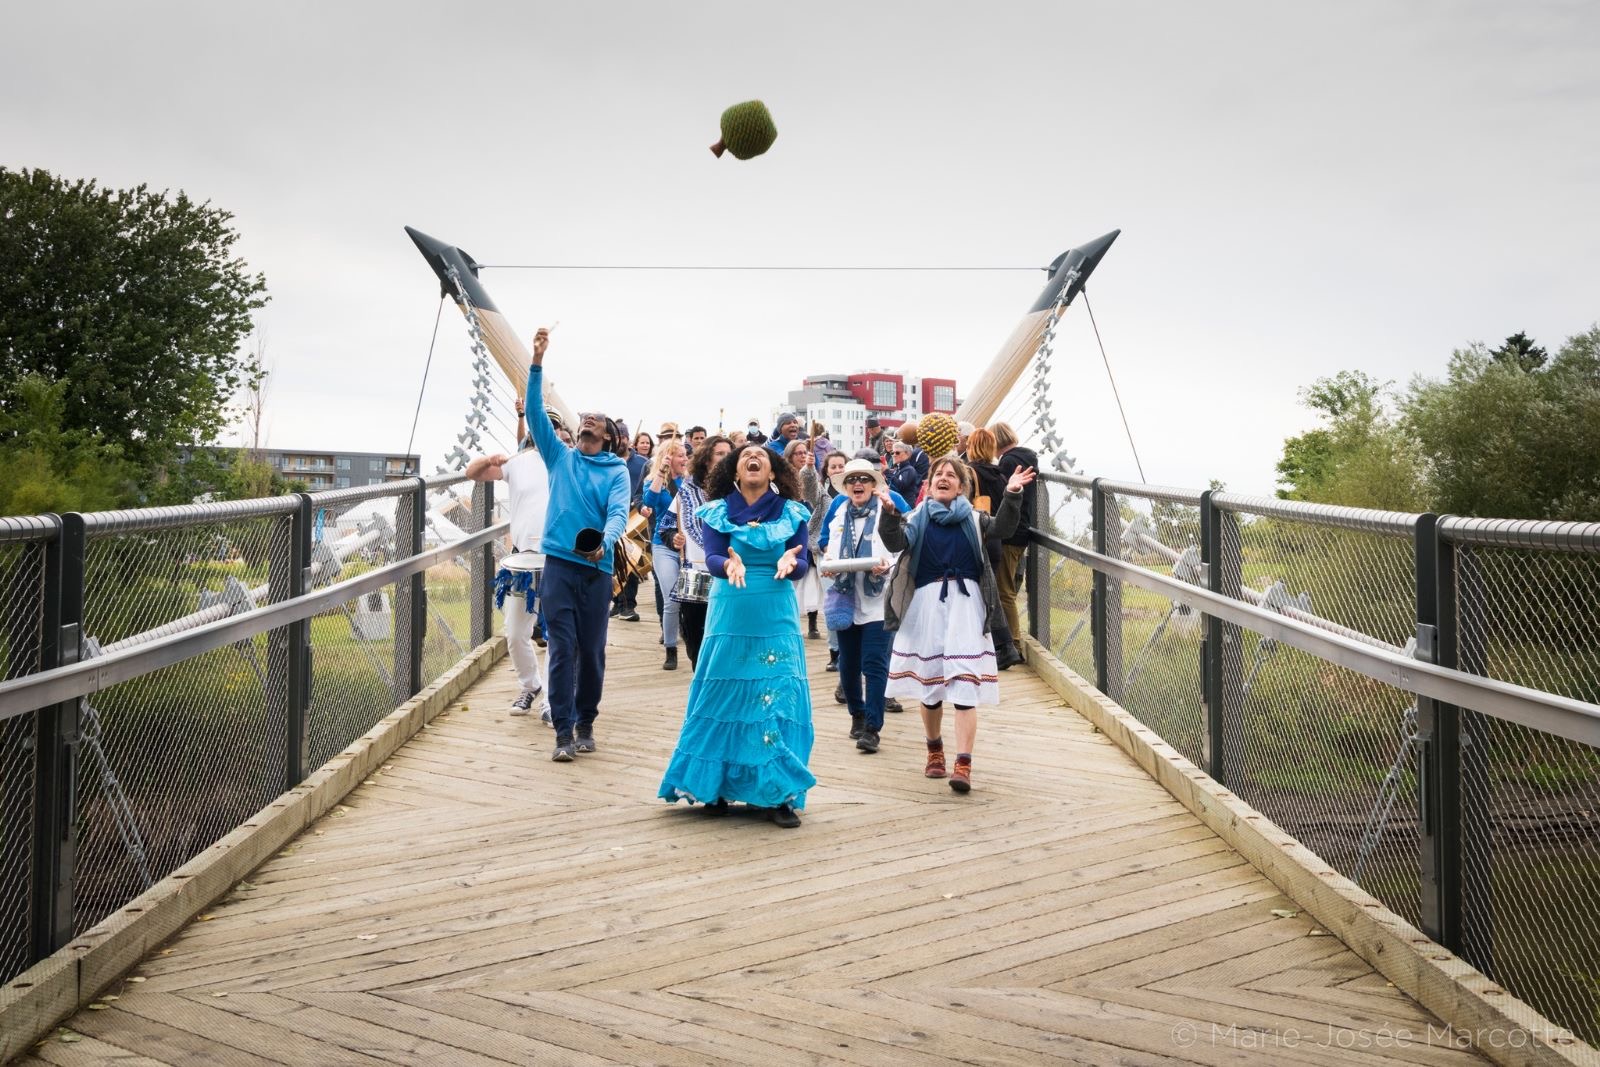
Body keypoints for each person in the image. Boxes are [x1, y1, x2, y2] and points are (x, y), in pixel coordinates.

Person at [657, 444, 816, 828]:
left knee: (776, 696)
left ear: (773, 472)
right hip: (731, 611)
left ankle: (777, 792)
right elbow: (713, 556)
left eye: (761, 455)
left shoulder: (792, 512)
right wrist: (728, 563)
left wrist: (792, 561)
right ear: (735, 472)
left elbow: (802, 560)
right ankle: (716, 786)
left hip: (776, 613)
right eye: (745, 456)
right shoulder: (717, 511)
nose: (753, 458)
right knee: (724, 696)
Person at [879, 455, 1034, 793]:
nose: (944, 478)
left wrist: (1012, 494)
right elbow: (894, 542)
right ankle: (934, 748)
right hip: (926, 610)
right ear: (929, 484)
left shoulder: (975, 519)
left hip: (966, 609)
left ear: (962, 486)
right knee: (931, 686)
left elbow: (1004, 529)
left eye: (951, 475)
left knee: (965, 685)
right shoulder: (916, 518)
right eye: (939, 474)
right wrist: (889, 515)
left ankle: (963, 763)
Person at [524, 326, 632, 762]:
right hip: (559, 566)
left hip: (597, 569)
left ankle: (587, 721)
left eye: (595, 424)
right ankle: (563, 732)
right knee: (562, 648)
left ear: (607, 437)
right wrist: (537, 362)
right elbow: (535, 413)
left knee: (591, 651)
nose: (586, 423)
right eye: (584, 421)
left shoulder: (616, 471)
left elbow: (618, 513)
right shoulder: (559, 457)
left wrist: (606, 541)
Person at [464, 417, 552, 718]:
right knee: (514, 632)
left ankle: (553, 700)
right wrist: (489, 459)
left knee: (557, 633)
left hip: (557, 559)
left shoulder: (566, 461)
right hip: (522, 560)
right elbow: (472, 472)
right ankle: (530, 685)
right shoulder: (518, 461)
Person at [821, 458, 898, 753]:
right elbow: (829, 549)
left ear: (873, 485)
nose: (858, 484)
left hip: (877, 599)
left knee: (874, 663)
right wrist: (829, 564)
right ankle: (857, 714)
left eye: (864, 479)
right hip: (845, 597)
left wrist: (887, 566)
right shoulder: (839, 512)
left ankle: (873, 727)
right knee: (848, 663)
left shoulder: (886, 512)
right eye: (852, 480)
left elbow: (900, 551)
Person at [664, 434, 732, 668]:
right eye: (719, 454)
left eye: (728, 454)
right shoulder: (687, 491)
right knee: (695, 637)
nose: (725, 458)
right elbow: (666, 525)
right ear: (706, 459)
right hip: (696, 574)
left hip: (730, 575)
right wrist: (673, 538)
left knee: (725, 636)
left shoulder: (738, 490)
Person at [965, 428, 1022, 670]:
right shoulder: (1000, 475)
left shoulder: (968, 473)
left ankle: (999, 646)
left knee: (975, 594)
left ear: (971, 447)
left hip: (977, 536)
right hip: (995, 539)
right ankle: (1004, 646)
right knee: (991, 593)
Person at [991, 421, 1038, 662]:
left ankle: (1013, 645)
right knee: (1009, 587)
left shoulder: (1008, 462)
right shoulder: (1027, 457)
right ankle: (1012, 642)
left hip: (1010, 532)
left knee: (1004, 591)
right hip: (1022, 530)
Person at [642, 438, 688, 670]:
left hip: (689, 546)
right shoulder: (655, 481)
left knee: (691, 599)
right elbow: (649, 502)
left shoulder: (689, 481)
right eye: (680, 455)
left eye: (685, 455)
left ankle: (691, 638)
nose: (684, 459)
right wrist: (661, 472)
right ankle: (671, 647)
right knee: (671, 598)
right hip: (663, 545)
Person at [805, 450, 849, 669]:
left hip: (852, 555)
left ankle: (851, 651)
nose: (838, 470)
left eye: (842, 466)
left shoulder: (857, 491)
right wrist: (808, 468)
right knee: (833, 602)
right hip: (825, 553)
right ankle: (835, 652)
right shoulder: (823, 494)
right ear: (827, 471)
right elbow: (809, 488)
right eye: (833, 467)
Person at [786, 437, 824, 639]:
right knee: (791, 576)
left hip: (810, 525)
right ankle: (791, 620)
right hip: (791, 528)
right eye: (798, 453)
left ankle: (812, 622)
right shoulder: (784, 479)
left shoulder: (812, 475)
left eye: (804, 452)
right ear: (790, 456)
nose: (802, 456)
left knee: (811, 577)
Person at [612, 423, 651, 623]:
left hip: (634, 518)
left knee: (631, 560)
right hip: (611, 518)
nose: (619, 440)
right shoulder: (607, 461)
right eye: (615, 436)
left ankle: (628, 605)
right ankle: (618, 602)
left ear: (628, 439)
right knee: (612, 562)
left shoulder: (643, 463)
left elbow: (644, 491)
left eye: (622, 436)